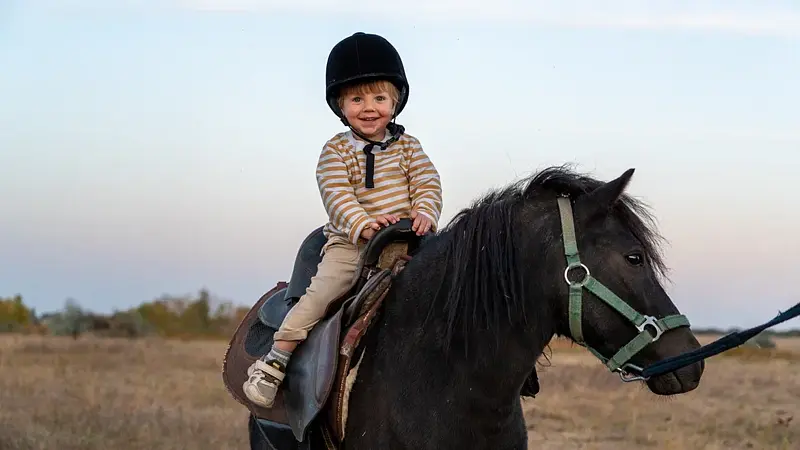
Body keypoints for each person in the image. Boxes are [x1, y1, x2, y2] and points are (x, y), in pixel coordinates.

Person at [243, 32, 443, 408]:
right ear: (340, 105)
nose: (369, 108)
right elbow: (335, 193)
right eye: (357, 99)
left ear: (395, 101)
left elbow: (427, 182)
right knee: (321, 294)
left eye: (379, 98)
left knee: (456, 280)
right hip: (354, 243)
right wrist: (362, 223)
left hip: (408, 241)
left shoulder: (410, 147)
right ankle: (276, 360)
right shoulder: (336, 150)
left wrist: (424, 212)